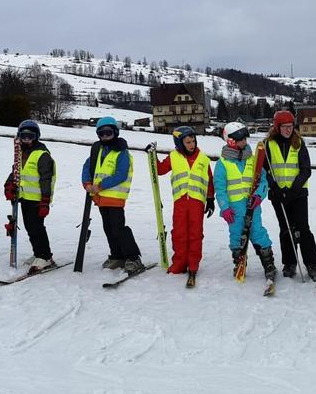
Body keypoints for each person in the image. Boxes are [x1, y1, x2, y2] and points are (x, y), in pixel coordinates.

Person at [81, 117, 145, 275]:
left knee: (119, 229)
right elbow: (87, 166)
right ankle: (117, 255)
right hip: (100, 198)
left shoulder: (122, 152)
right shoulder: (98, 150)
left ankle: (133, 257)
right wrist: (87, 183)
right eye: (102, 134)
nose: (105, 137)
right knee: (108, 228)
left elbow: (121, 174)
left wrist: (100, 185)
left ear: (115, 132)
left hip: (115, 198)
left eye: (108, 133)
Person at [214, 121, 276, 283]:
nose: (244, 142)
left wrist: (258, 196)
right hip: (234, 210)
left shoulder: (253, 159)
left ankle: (269, 264)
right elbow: (220, 189)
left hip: (252, 207)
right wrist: (224, 208)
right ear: (231, 141)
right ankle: (239, 262)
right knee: (236, 236)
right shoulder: (223, 164)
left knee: (258, 233)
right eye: (241, 139)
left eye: (245, 139)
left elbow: (263, 181)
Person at [153, 125, 215, 286]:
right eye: (187, 142)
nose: (191, 144)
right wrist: (152, 155)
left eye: (193, 141)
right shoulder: (173, 157)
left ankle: (193, 264)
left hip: (196, 203)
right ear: (180, 143)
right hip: (180, 201)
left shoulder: (203, 159)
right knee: (179, 233)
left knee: (195, 234)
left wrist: (210, 199)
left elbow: (209, 181)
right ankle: (179, 263)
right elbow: (159, 170)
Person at [264, 109, 316, 283]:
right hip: (278, 195)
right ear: (277, 127)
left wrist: (293, 189)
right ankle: (289, 262)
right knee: (286, 230)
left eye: (290, 127)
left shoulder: (299, 143)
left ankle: (311, 263)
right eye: (284, 127)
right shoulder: (269, 144)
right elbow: (264, 169)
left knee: (303, 229)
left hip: (297, 194)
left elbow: (306, 169)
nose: (288, 130)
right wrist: (274, 187)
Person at [4, 119, 56, 272]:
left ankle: (45, 256)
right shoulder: (20, 153)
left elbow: (46, 179)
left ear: (37, 137)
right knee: (29, 227)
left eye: (30, 136)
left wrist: (45, 201)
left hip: (38, 199)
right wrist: (8, 185)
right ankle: (38, 253)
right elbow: (16, 171)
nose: (27, 140)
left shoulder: (42, 155)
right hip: (24, 197)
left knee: (37, 227)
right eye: (23, 136)